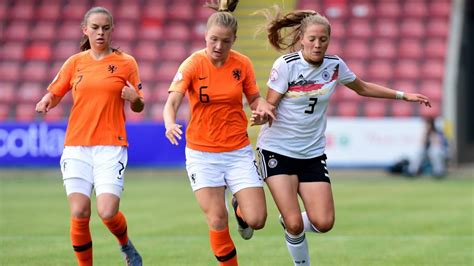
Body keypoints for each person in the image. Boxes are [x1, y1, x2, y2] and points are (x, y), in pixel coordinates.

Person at [251, 7, 432, 265]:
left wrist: (404, 95)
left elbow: (363, 87)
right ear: (301, 38)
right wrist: (262, 114)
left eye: (323, 39)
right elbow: (270, 104)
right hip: (278, 150)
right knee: (294, 224)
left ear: (329, 40)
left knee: (324, 223)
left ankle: (290, 222)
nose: (317, 44)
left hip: (312, 154)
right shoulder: (286, 66)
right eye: (312, 39)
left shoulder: (334, 66)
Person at [163, 0, 275, 265]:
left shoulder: (242, 64)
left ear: (234, 40)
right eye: (213, 40)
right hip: (202, 155)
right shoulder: (192, 64)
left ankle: (240, 209)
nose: (218, 46)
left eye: (225, 41)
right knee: (216, 218)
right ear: (205, 36)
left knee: (257, 220)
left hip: (237, 151)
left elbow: (255, 98)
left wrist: (263, 109)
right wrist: (169, 123)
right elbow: (172, 102)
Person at [35, 7, 144, 266]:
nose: (100, 33)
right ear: (85, 30)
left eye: (105, 28)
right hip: (77, 146)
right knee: (79, 211)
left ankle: (125, 245)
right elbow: (56, 91)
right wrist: (46, 99)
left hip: (111, 146)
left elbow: (140, 104)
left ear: (112, 30)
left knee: (107, 212)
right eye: (95, 27)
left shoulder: (126, 62)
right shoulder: (75, 62)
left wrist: (135, 99)